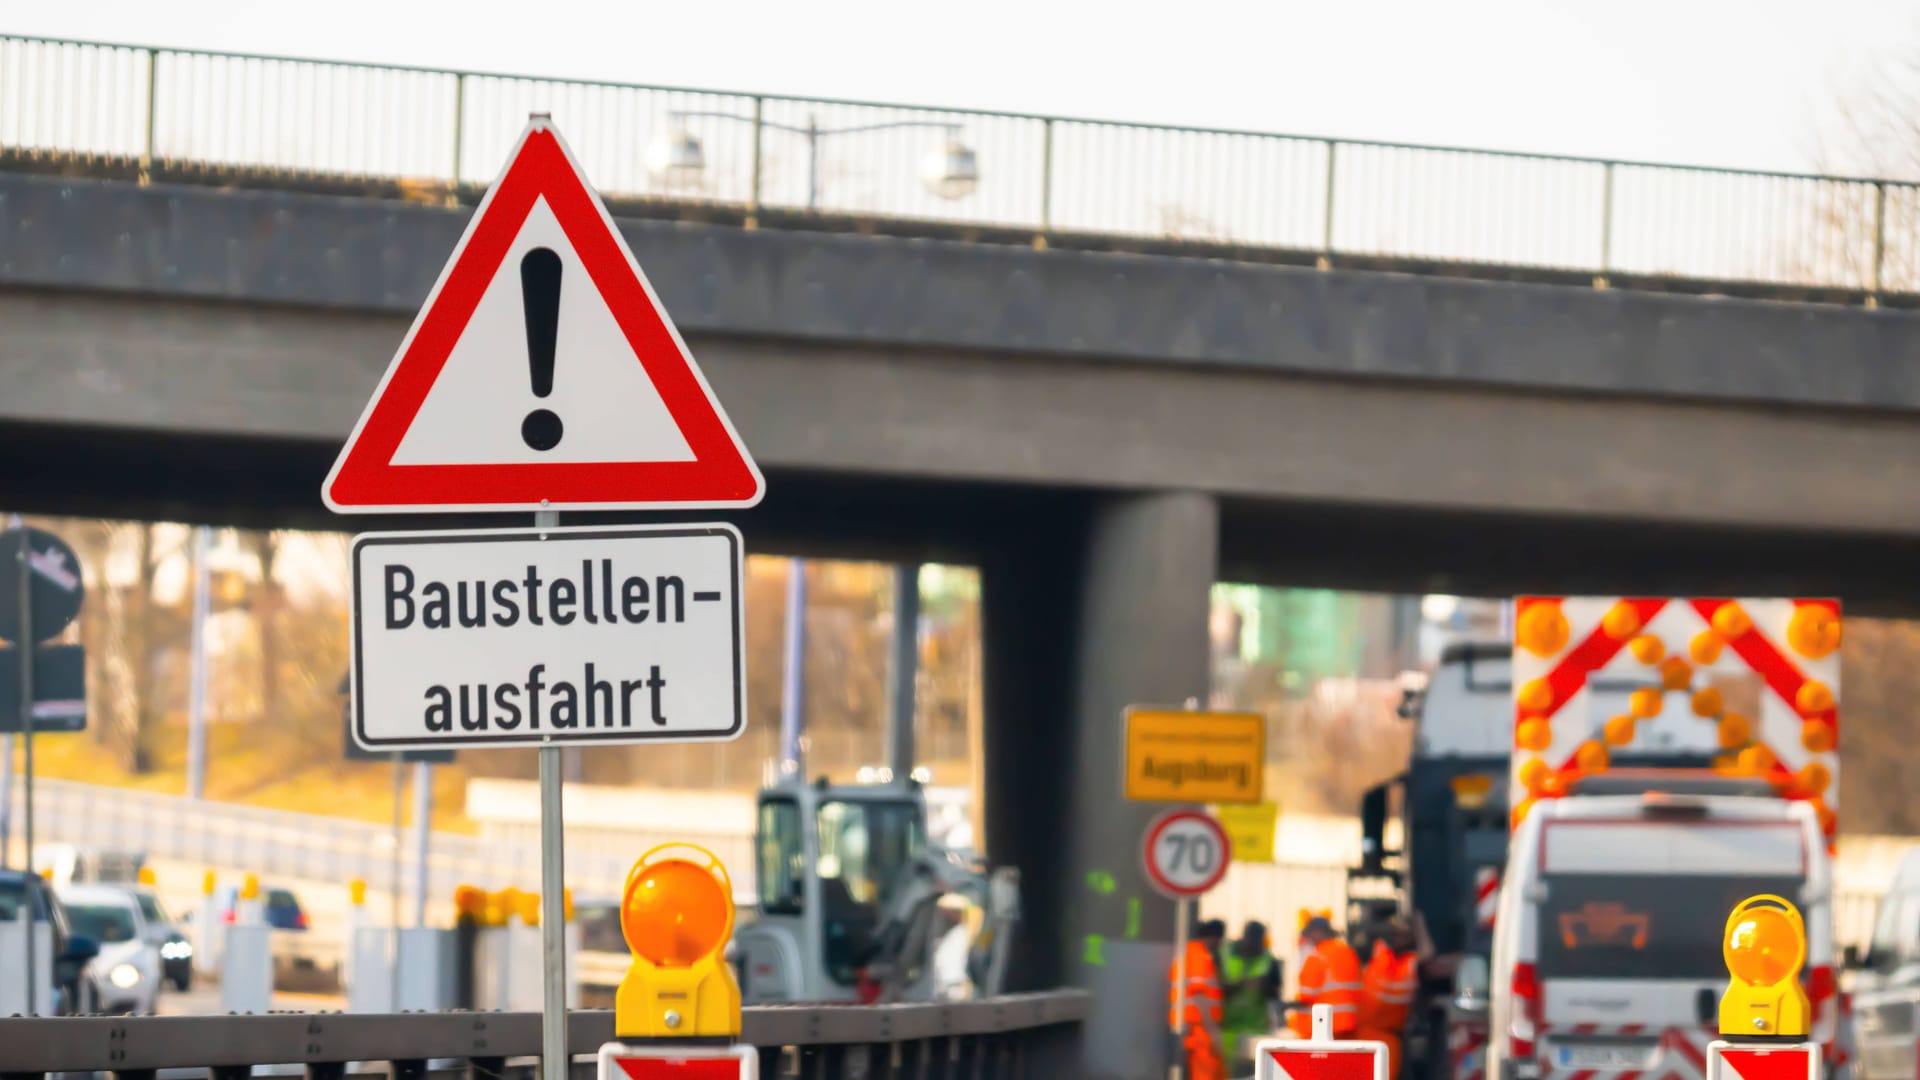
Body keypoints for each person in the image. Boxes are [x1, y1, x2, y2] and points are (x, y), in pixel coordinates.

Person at [1358, 918, 1420, 1078]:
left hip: (1390, 1035)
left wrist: (1420, 926)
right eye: (1398, 934)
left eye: (1406, 935)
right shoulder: (1379, 951)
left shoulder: (1412, 962)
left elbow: (1428, 953)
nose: (1401, 938)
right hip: (1364, 1031)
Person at [1221, 920, 1283, 1073]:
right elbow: (1216, 989)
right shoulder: (1225, 954)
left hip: (1257, 1029)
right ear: (1245, 937)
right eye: (1252, 940)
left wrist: (1264, 985)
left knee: (1255, 1073)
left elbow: (1275, 994)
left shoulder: (1268, 960)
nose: (1254, 945)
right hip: (1228, 1029)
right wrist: (1241, 984)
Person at [1170, 918, 1227, 1080]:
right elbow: (1199, 994)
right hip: (1200, 1029)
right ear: (1213, 937)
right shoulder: (1198, 954)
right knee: (1207, 1075)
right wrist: (1213, 1031)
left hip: (1196, 1027)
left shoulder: (1190, 953)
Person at [1289, 915, 1362, 1038]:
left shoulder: (1317, 956)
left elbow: (1306, 996)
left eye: (1310, 934)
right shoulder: (1348, 953)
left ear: (1318, 932)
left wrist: (1286, 1005)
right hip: (1350, 1024)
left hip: (1324, 1026)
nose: (1309, 939)